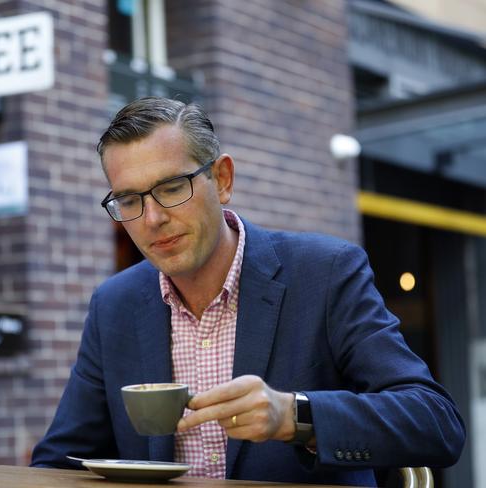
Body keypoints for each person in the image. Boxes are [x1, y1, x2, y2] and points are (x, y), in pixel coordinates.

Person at [30, 97, 465, 485]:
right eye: (129, 200)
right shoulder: (115, 304)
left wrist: (296, 416)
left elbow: (436, 424)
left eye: (171, 189)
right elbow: (59, 460)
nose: (151, 219)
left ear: (221, 180)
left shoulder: (325, 273)